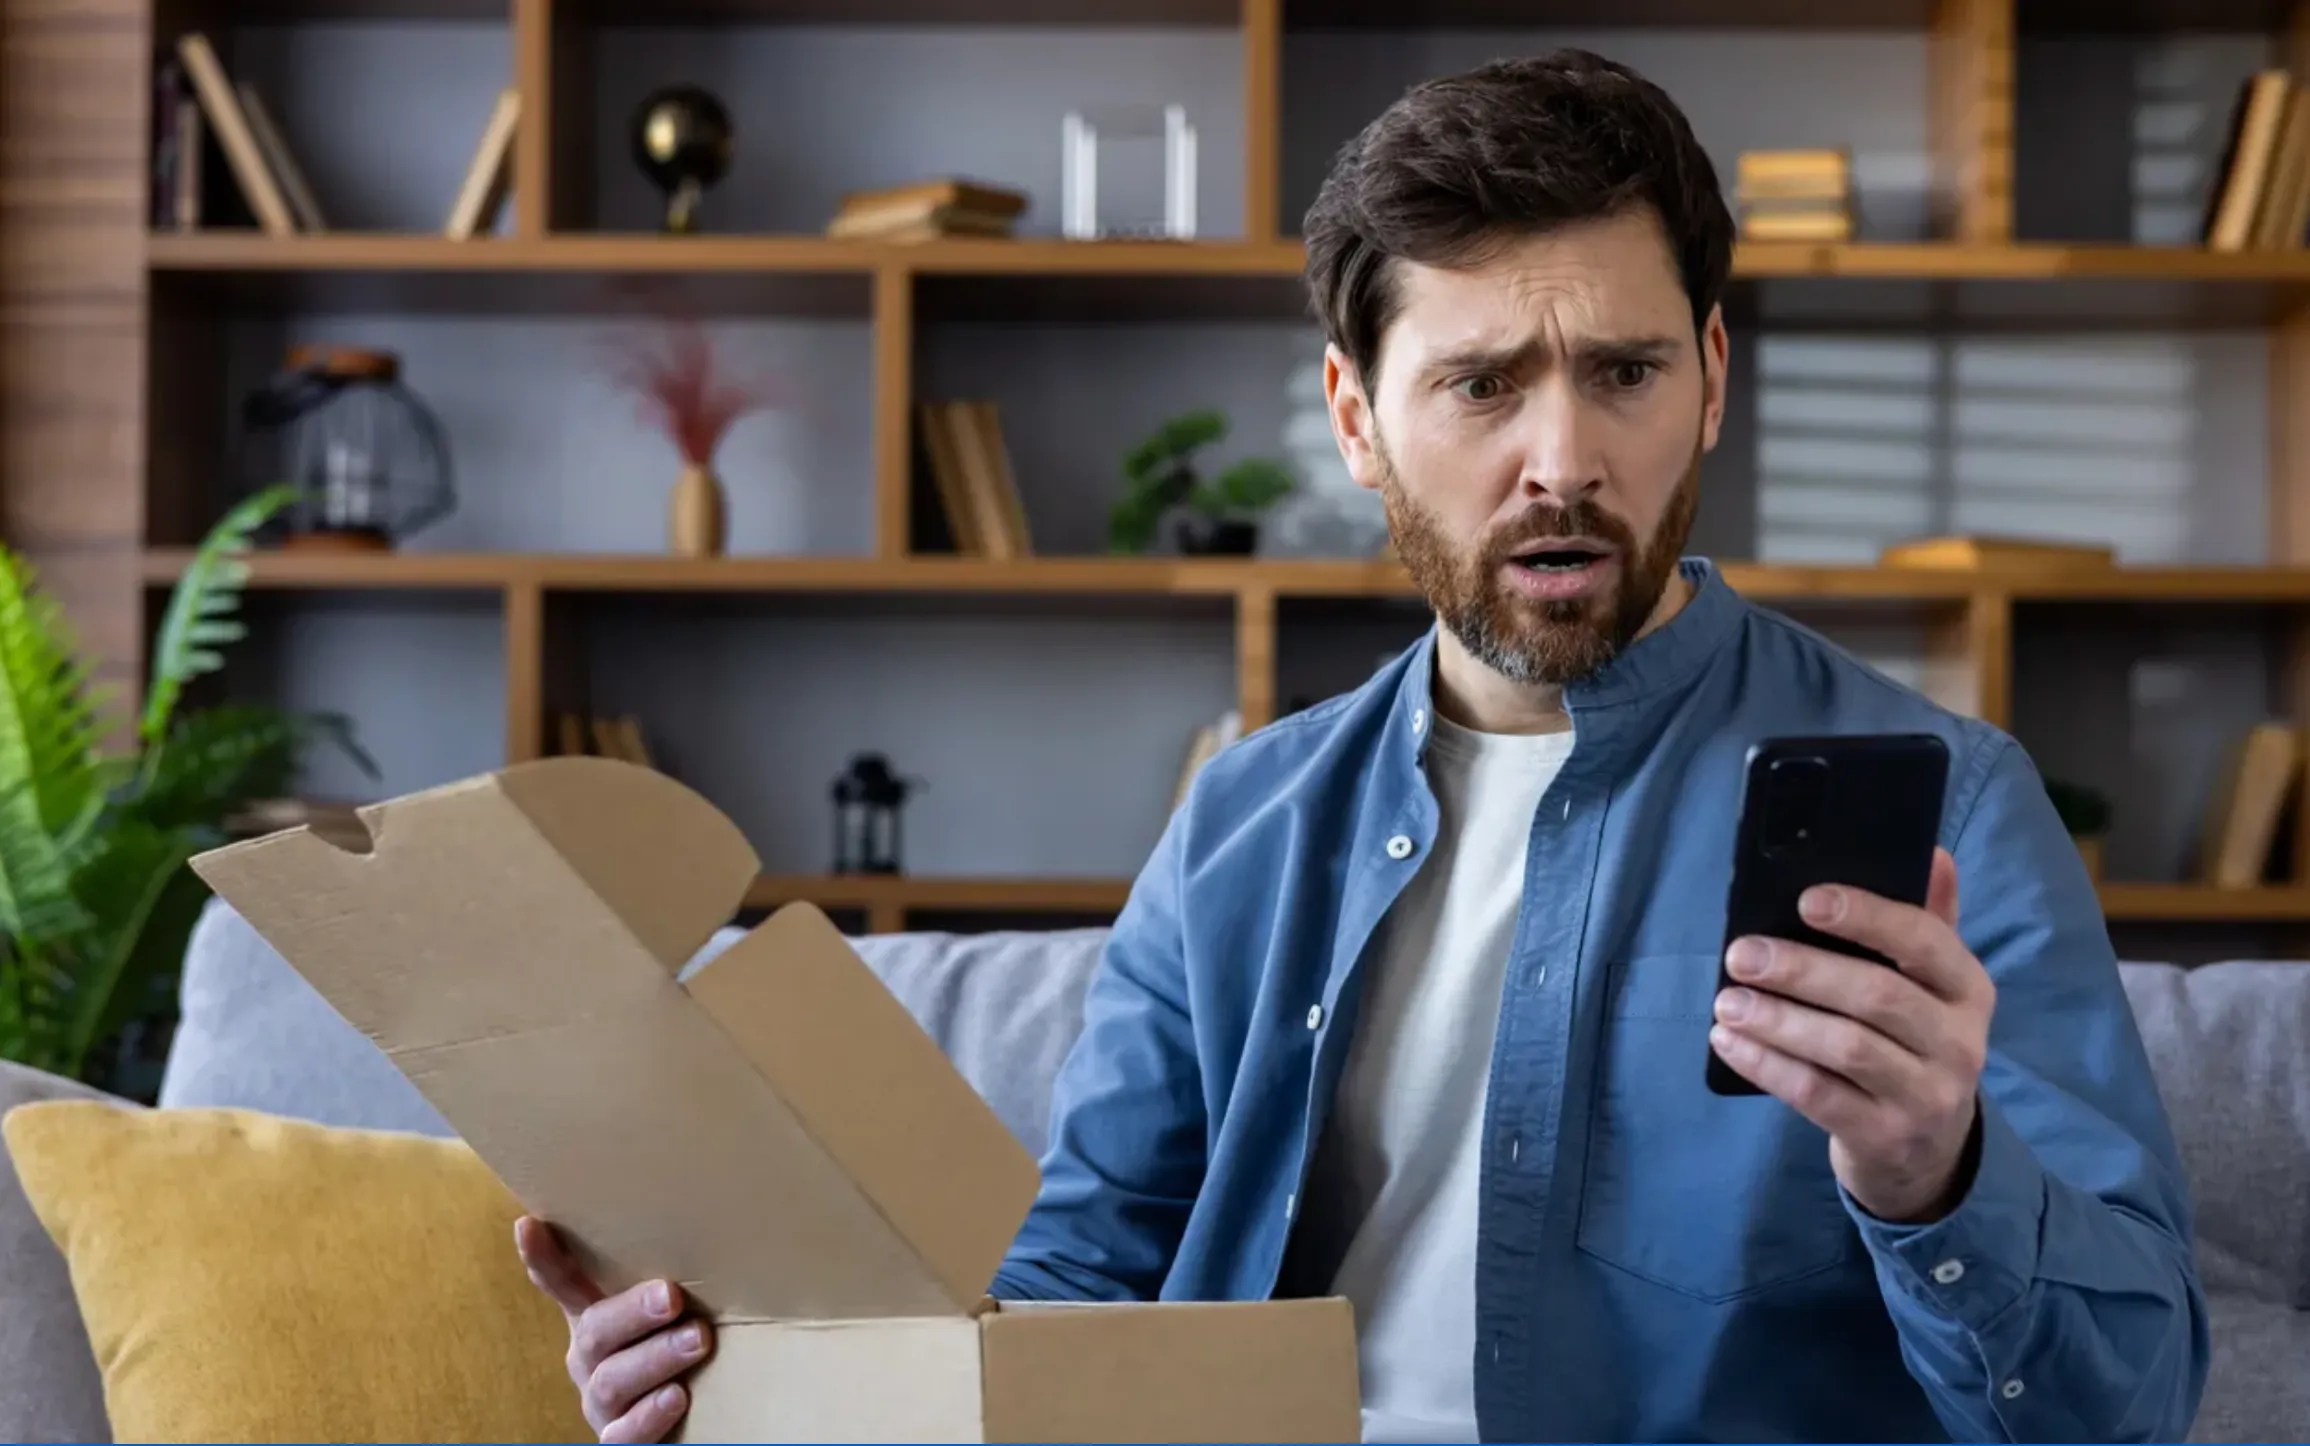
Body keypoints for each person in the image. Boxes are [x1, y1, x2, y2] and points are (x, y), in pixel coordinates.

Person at [517, 48, 2209, 1445]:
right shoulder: (1242, 819)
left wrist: (1935, 1175)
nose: (1563, 455)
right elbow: (1061, 1311)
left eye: (1621, 369)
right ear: (1353, 417)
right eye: (1481, 385)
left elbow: (2125, 1409)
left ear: (1708, 377)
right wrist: (745, 1377)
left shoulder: (1950, 809)